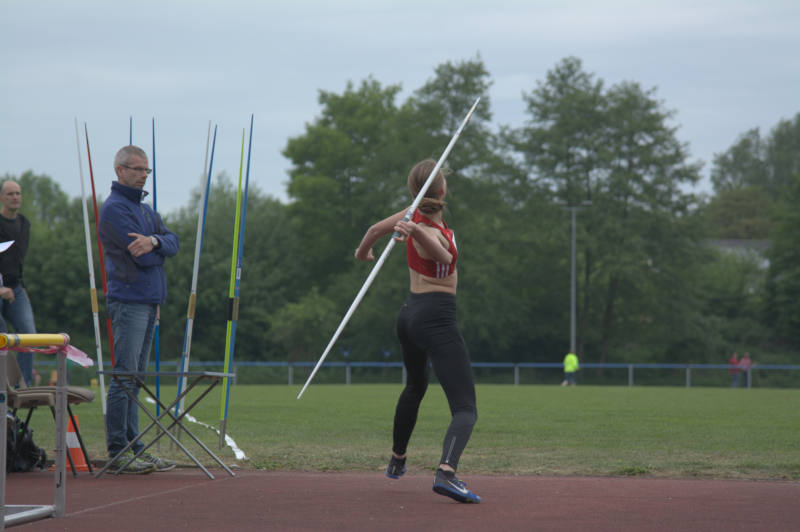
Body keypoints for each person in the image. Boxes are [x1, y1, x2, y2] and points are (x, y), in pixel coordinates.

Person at [355, 159, 481, 504]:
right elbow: (444, 260)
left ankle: (397, 460)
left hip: (408, 315)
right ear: (442, 190)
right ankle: (447, 473)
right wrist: (419, 232)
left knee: (415, 386)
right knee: (465, 408)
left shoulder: (409, 215)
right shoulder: (427, 228)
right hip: (435, 317)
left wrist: (363, 251)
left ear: (416, 191)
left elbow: (372, 231)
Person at [99, 145, 179, 474]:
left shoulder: (145, 209)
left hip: (148, 301)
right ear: (120, 170)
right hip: (129, 300)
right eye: (137, 169)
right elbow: (142, 258)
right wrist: (154, 247)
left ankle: (136, 445)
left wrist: (156, 241)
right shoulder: (115, 210)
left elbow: (172, 241)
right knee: (125, 377)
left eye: (146, 170)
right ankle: (119, 450)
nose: (143, 175)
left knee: (136, 379)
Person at [0, 180, 37, 385]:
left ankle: (22, 389)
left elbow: (18, 260)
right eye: (10, 194)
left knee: (29, 335)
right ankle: (3, 388)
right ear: (2, 198)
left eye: (18, 193)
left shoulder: (24, 224)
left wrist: (21, 286)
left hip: (16, 287)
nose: (15, 197)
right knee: (2, 336)